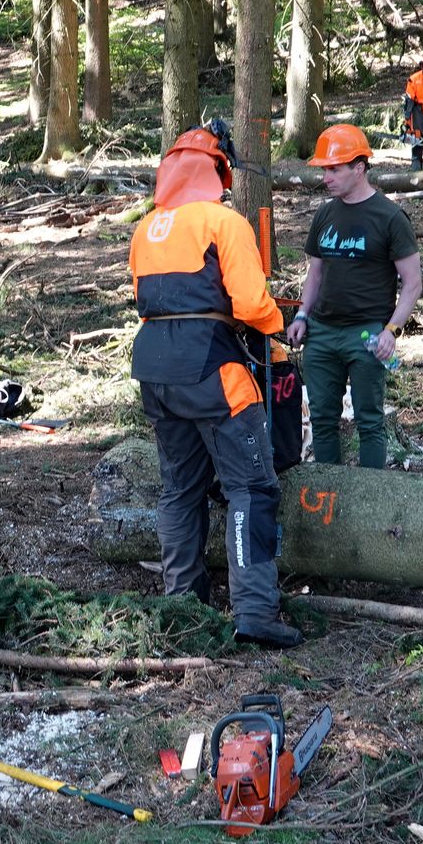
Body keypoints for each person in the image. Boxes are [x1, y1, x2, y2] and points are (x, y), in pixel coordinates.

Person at [128, 121, 302, 650]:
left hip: (155, 369)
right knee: (251, 488)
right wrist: (277, 325)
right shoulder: (222, 222)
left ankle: (183, 600)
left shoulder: (145, 228)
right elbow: (249, 304)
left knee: (179, 490)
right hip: (212, 371)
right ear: (215, 173)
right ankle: (254, 610)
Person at [287, 124, 423, 471]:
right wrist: (302, 316)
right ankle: (332, 500)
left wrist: (390, 330)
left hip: (366, 334)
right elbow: (315, 273)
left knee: (369, 421)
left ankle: (368, 501)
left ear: (358, 168)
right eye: (324, 170)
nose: (326, 178)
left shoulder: (390, 217)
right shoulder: (325, 214)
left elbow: (412, 283)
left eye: (334, 169)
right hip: (320, 333)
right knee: (322, 419)